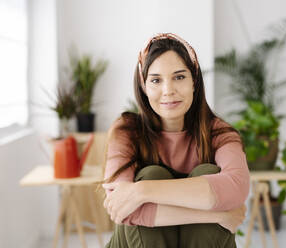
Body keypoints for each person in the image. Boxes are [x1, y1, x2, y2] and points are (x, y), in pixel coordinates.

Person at [102, 33, 250, 248]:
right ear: (144, 86)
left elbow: (237, 187)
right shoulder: (127, 129)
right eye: (156, 80)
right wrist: (216, 215)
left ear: (194, 81)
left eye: (179, 77)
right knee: (152, 175)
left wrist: (141, 192)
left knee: (206, 172)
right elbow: (122, 208)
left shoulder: (219, 133)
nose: (168, 90)